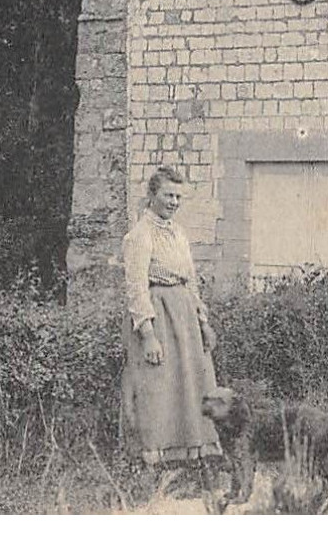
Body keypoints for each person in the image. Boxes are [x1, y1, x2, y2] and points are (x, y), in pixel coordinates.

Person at [119, 166, 222, 468]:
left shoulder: (178, 233)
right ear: (152, 195)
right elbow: (136, 287)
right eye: (168, 195)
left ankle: (192, 455)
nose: (174, 202)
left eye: (178, 197)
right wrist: (148, 335)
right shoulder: (139, 235)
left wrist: (203, 322)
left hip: (185, 317)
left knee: (192, 382)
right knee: (158, 387)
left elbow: (190, 280)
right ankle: (156, 459)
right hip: (158, 316)